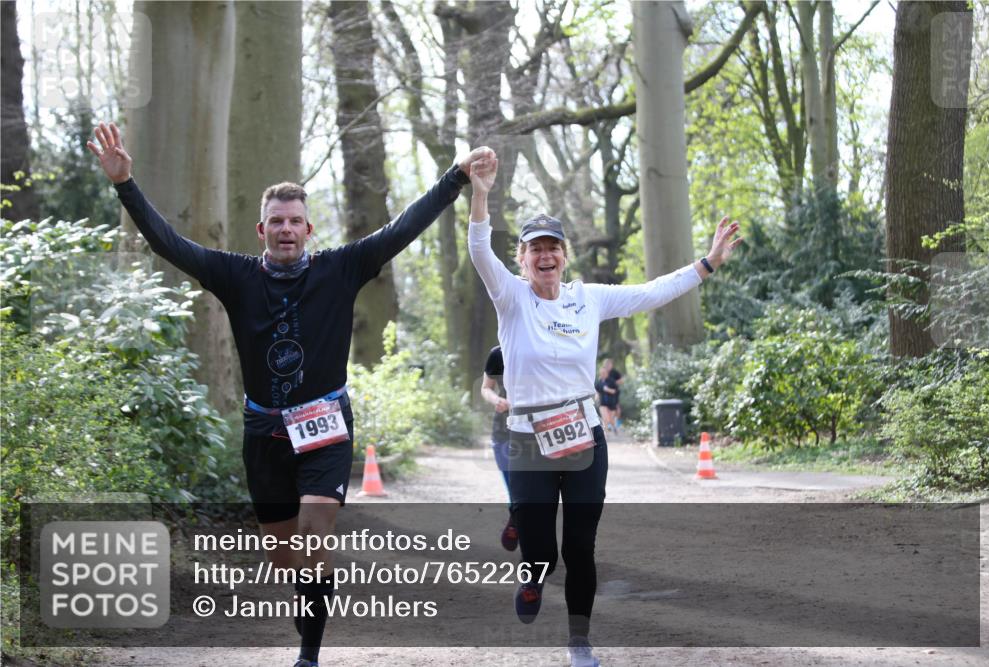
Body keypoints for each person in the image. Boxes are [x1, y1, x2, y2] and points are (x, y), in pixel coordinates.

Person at [87, 121, 490, 667]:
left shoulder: (342, 268)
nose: (286, 229)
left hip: (326, 422)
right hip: (264, 430)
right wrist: (125, 184)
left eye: (295, 221)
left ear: (309, 228)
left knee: (315, 523)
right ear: (261, 229)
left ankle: (309, 654)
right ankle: (312, 597)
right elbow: (169, 244)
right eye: (276, 221)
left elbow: (402, 229)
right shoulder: (233, 276)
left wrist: (455, 177)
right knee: (287, 557)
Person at [464, 153, 741, 667]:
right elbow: (479, 247)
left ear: (564, 256)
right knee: (542, 554)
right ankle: (531, 580)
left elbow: (650, 292)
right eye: (534, 250)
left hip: (584, 436)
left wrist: (707, 264)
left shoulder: (587, 299)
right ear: (521, 259)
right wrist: (480, 193)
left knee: (581, 551)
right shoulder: (511, 299)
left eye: (552, 248)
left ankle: (579, 643)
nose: (544, 257)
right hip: (528, 439)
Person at [481, 346, 518, 550]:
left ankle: (531, 552)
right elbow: (486, 387)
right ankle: (516, 515)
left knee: (530, 492)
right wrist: (497, 400)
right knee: (515, 490)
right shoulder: (498, 353)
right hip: (503, 430)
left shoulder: (543, 346)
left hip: (537, 429)